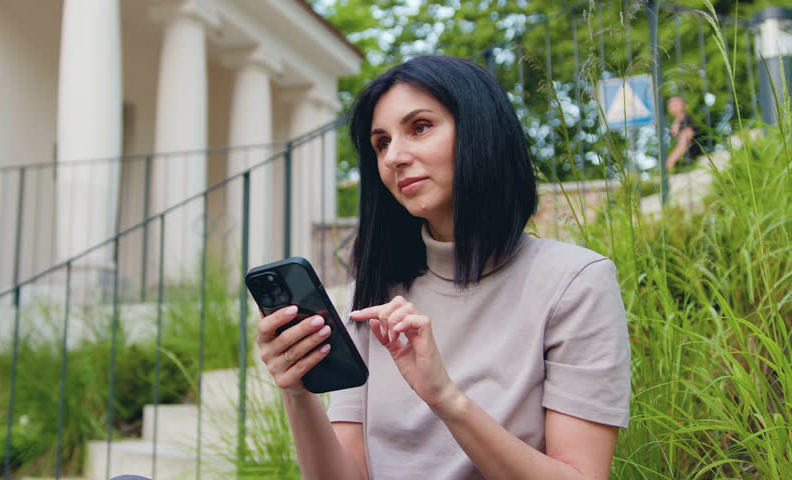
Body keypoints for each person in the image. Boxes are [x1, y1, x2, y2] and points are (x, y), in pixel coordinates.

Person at [255, 55, 631, 479]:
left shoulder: (574, 283)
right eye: (381, 143)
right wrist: (297, 392)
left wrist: (445, 398)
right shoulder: (375, 297)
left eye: (419, 127)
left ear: (480, 130)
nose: (394, 156)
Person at [665, 95, 703, 172]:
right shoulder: (676, 124)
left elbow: (684, 142)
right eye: (670, 103)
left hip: (695, 163)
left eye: (675, 103)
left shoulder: (687, 121)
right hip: (685, 164)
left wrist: (670, 161)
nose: (671, 104)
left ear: (685, 105)